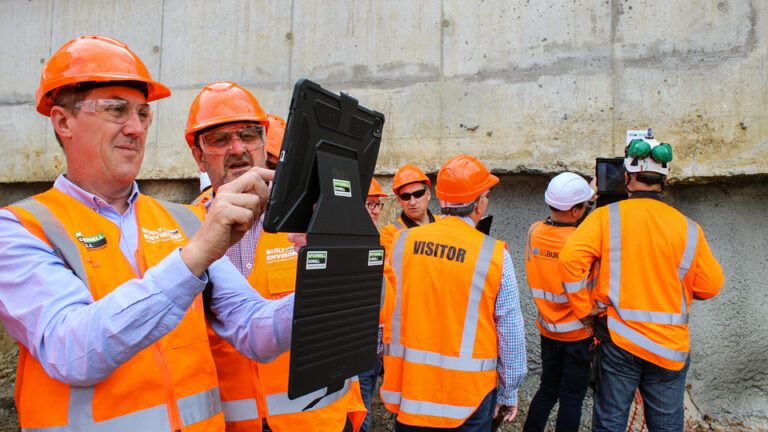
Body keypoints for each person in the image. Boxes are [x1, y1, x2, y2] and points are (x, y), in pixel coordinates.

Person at [0, 35, 293, 431]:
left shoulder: (182, 223)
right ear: (63, 121)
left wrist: (337, 272)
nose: (136, 129)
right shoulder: (24, 228)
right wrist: (195, 257)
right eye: (117, 110)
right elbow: (71, 351)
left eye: (143, 114)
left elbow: (255, 329)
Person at [186, 81, 366, 432]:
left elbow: (378, 307)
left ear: (264, 142)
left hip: (320, 420)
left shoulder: (312, 215)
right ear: (199, 154)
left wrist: (338, 247)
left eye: (249, 135)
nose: (237, 148)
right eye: (220, 140)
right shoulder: (183, 230)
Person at [559, 132, 724, 432]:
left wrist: (583, 310)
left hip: (618, 340)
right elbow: (711, 285)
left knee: (610, 423)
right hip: (669, 347)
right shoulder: (689, 228)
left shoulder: (606, 218)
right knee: (666, 426)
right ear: (664, 181)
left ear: (627, 177)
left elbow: (570, 262)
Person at [380, 155, 527, 431]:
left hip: (410, 393)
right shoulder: (494, 254)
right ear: (480, 202)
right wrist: (508, 392)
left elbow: (381, 311)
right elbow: (510, 330)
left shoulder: (400, 243)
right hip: (469, 400)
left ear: (440, 200)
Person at [523, 172, 598, 432]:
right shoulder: (581, 241)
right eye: (585, 206)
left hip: (549, 330)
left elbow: (568, 227)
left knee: (547, 390)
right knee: (571, 399)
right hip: (578, 334)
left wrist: (587, 194)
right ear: (576, 210)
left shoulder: (534, 232)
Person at [379, 164, 439, 257]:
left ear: (428, 194)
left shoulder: (443, 222)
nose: (412, 202)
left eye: (418, 194)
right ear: (399, 200)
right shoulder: (390, 233)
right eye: (406, 197)